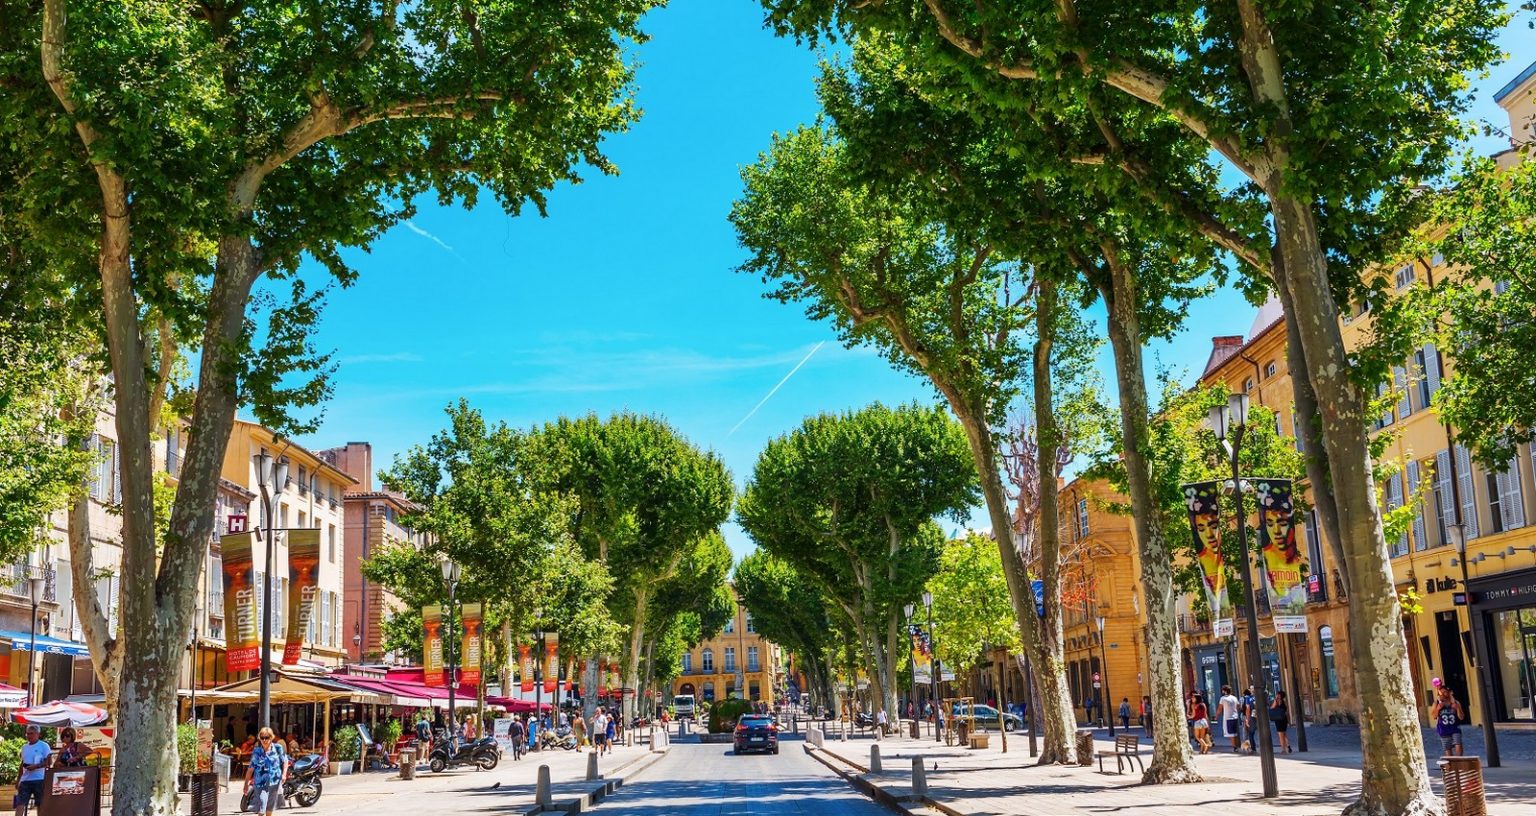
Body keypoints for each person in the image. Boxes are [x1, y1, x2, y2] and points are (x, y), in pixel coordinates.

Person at [243, 727, 288, 816]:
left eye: (267, 737)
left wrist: (284, 774)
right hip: (260, 783)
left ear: (271, 737)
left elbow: (285, 761)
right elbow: (251, 768)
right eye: (262, 737)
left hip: (274, 781)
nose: (264, 740)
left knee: (269, 807)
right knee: (262, 807)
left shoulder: (278, 748)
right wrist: (246, 784)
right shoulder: (257, 751)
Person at [14, 725, 50, 816]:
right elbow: (22, 764)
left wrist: (36, 766)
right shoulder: (24, 747)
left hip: (40, 779)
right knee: (20, 804)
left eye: (31, 734)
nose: (28, 736)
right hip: (25, 780)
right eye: (27, 734)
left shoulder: (44, 746)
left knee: (40, 804)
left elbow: (49, 762)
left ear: (38, 734)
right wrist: (18, 780)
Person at [1431, 680, 1465, 757]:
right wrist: (1438, 709)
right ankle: (1451, 765)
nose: (1443, 694)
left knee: (1458, 744)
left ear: (1449, 693)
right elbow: (1434, 716)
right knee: (1448, 749)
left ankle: (1459, 761)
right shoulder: (1436, 703)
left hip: (1455, 728)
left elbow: (1461, 717)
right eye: (1441, 693)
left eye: (1445, 692)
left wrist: (1457, 709)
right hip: (1443, 730)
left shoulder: (1455, 703)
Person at [1217, 685, 1241, 752]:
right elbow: (1239, 706)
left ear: (1224, 691)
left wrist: (1216, 716)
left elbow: (1219, 708)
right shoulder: (1234, 698)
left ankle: (1234, 746)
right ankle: (1236, 745)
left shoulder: (1223, 698)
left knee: (1230, 733)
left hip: (1228, 717)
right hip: (1235, 716)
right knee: (1234, 732)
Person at [1241, 686, 1258, 753]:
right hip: (1260, 717)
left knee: (1250, 733)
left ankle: (1253, 748)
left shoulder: (1248, 698)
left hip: (1252, 717)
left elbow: (1248, 709)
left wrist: (1247, 719)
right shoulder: (1258, 697)